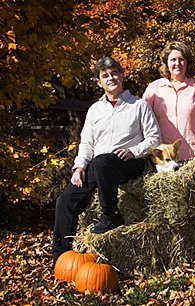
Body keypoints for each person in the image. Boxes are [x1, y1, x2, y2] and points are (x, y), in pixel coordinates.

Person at [52, 56, 161, 268]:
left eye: (114, 73)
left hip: (128, 163)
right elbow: (86, 144)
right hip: (98, 166)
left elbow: (154, 138)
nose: (111, 78)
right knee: (64, 202)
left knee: (103, 162)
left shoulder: (138, 105)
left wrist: (133, 151)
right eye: (105, 75)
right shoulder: (95, 110)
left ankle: (110, 215)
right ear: (98, 82)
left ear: (122, 75)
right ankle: (60, 259)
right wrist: (79, 167)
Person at [142, 41, 195, 162]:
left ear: (187, 62)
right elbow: (140, 118)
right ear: (166, 63)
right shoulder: (154, 88)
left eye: (181, 59)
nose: (177, 63)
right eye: (173, 60)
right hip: (166, 160)